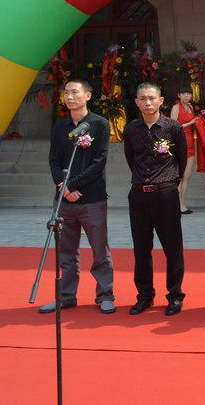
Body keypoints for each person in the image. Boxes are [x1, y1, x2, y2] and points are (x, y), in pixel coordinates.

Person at [40, 79, 115, 314]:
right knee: (66, 251)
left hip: (92, 199)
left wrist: (71, 185)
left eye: (75, 92)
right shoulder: (60, 127)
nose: (69, 96)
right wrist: (63, 187)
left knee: (100, 250)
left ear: (88, 96)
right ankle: (66, 296)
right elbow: (54, 160)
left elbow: (99, 161)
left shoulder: (99, 124)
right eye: (66, 92)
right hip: (63, 199)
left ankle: (105, 295)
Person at [123, 82, 189, 316]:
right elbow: (131, 158)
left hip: (166, 195)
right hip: (138, 195)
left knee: (173, 248)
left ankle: (175, 295)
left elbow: (182, 159)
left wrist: (169, 183)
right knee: (141, 249)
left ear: (161, 101)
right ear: (137, 102)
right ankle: (144, 296)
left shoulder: (173, 127)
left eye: (152, 98)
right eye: (143, 98)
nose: (148, 102)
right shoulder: (131, 129)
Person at [170, 86, 205, 214]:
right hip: (179, 142)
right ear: (179, 95)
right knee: (179, 176)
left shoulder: (191, 107)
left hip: (190, 142)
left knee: (186, 176)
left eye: (188, 93)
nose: (186, 96)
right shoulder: (176, 107)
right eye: (183, 93)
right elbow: (172, 127)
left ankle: (182, 204)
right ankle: (175, 205)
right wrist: (191, 122)